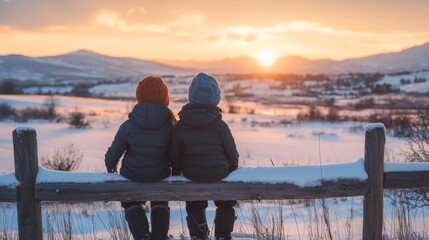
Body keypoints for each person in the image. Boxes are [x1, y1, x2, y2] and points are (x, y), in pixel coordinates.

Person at [170, 72, 239, 240]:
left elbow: (174, 155)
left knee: (194, 205)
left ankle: (199, 234)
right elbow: (232, 153)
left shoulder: (180, 126)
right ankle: (222, 234)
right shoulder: (220, 125)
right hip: (219, 173)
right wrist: (231, 168)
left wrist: (177, 170)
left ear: (191, 97)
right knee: (226, 202)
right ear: (216, 99)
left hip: (191, 174)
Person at [105, 76, 174, 240]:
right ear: (164, 96)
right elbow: (175, 152)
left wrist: (111, 166)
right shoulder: (170, 124)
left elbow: (113, 153)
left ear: (139, 96)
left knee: (129, 200)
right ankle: (159, 236)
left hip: (132, 175)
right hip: (160, 174)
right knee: (160, 199)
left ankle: (142, 236)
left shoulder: (129, 124)